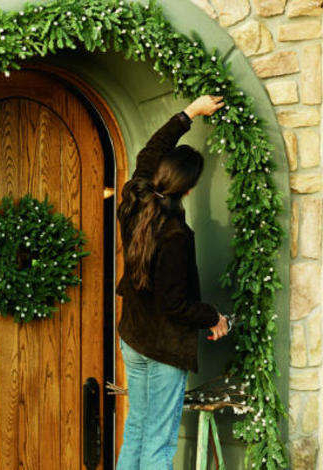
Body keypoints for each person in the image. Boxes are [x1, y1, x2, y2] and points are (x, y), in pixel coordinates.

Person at [115, 95, 229, 470]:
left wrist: (190, 113)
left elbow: (150, 151)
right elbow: (174, 304)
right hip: (162, 347)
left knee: (137, 428)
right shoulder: (174, 234)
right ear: (188, 189)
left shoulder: (134, 200)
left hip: (134, 338)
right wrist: (214, 317)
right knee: (159, 443)